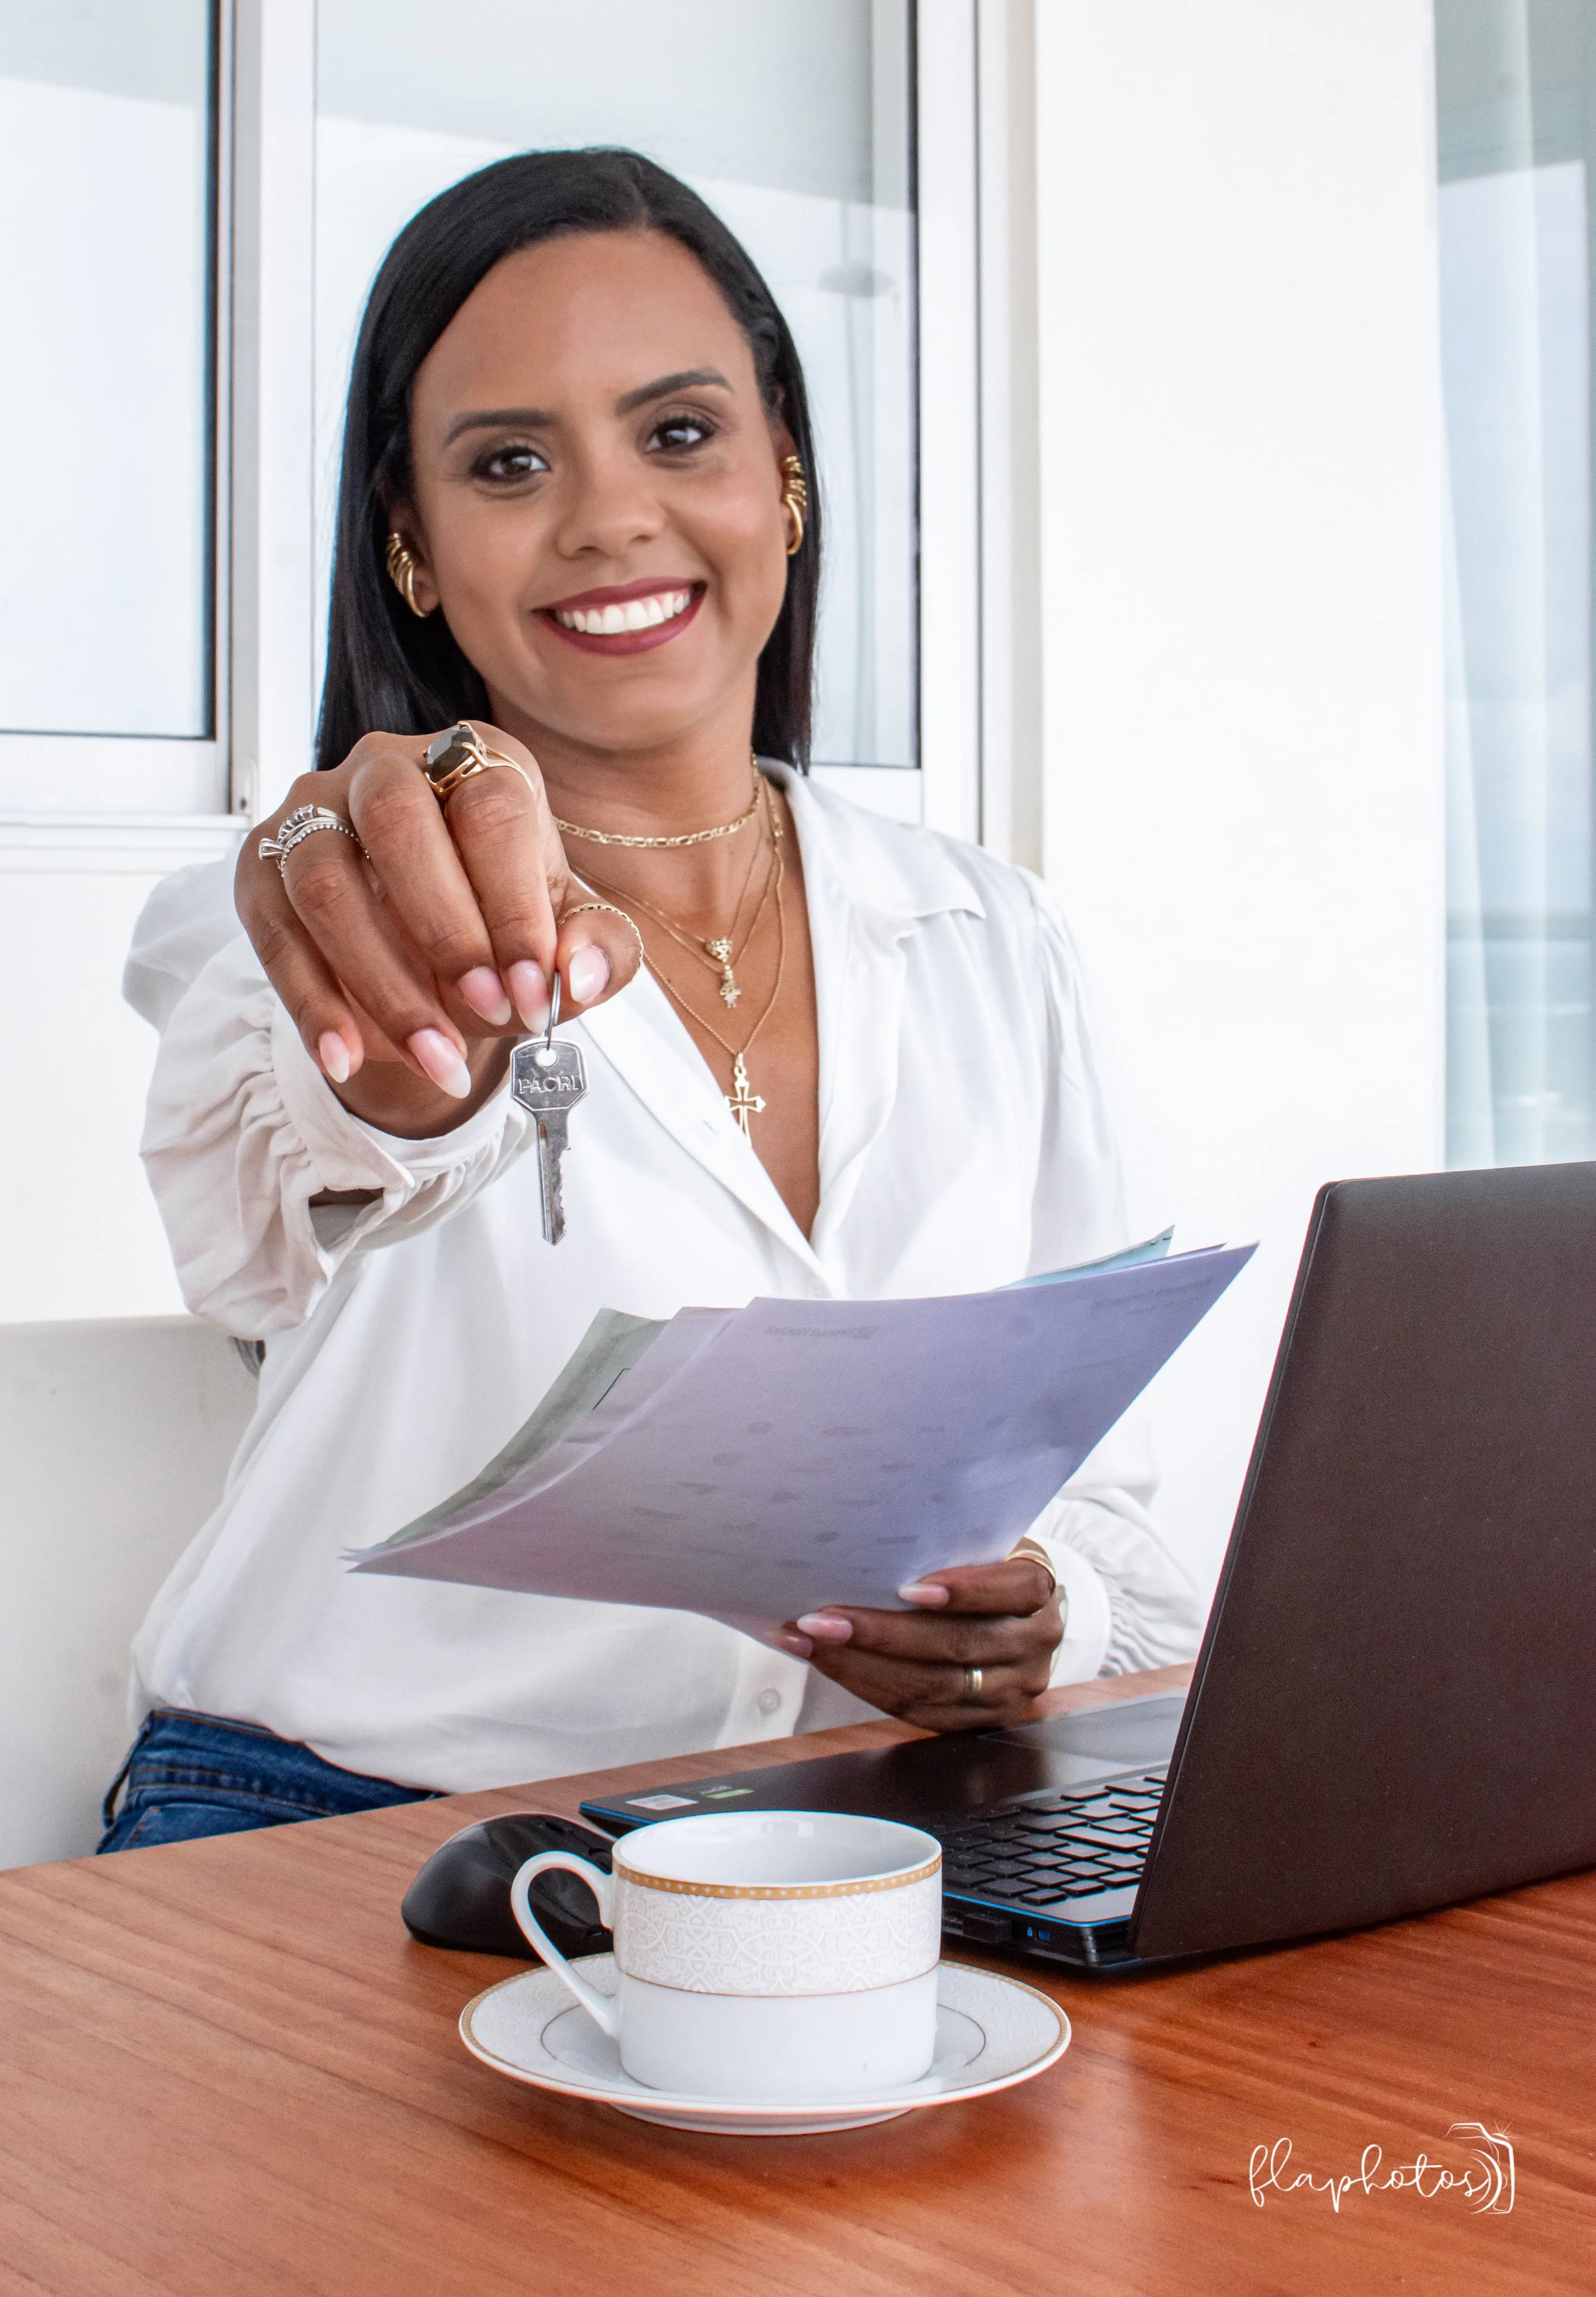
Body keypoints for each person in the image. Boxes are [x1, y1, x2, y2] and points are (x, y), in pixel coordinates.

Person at [105, 148, 1200, 1852]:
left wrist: (1031, 1608)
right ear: (409, 547)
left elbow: (1104, 1489)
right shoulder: (307, 905)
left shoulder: (992, 936)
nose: (609, 517)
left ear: (788, 478)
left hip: (848, 1834)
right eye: (509, 462)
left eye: (678, 432)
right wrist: (420, 1062)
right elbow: (306, 1177)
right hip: (336, 1826)